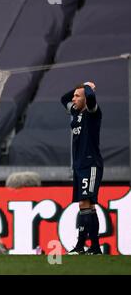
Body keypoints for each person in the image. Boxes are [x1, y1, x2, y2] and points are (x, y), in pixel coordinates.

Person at [60, 81, 103, 255]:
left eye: (78, 96)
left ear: (86, 99)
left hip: (90, 164)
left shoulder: (93, 112)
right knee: (89, 207)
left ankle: (79, 246)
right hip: (79, 166)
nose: (73, 98)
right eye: (75, 96)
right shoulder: (75, 112)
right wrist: (80, 86)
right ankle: (95, 248)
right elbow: (63, 99)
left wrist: (88, 89)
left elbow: (91, 97)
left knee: (84, 204)